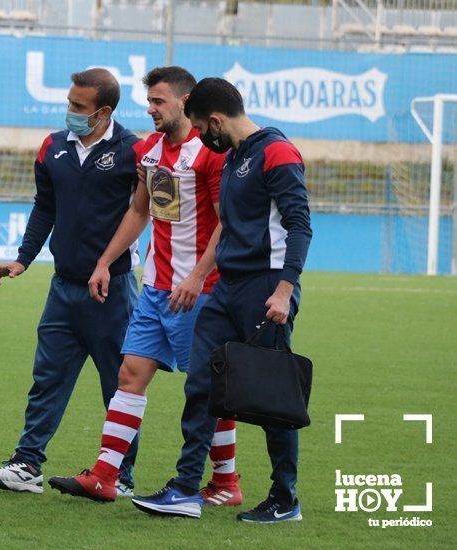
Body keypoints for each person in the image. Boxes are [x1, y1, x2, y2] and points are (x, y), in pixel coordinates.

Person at [47, 67, 242, 506]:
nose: (150, 109)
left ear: (185, 102)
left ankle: (227, 483)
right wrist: (104, 262)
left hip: (200, 292)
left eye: (158, 101)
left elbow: (226, 224)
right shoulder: (150, 150)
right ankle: (104, 476)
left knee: (207, 389)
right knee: (129, 376)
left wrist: (196, 277)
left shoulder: (210, 154)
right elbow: (139, 212)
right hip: (155, 288)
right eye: (148, 101)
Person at [129, 77, 312, 522]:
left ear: (214, 120)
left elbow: (300, 225)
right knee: (202, 386)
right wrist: (202, 275)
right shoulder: (232, 156)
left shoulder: (277, 152)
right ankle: (187, 488)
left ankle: (285, 498)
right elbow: (226, 225)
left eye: (200, 126)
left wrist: (285, 291)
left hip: (267, 288)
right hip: (226, 288)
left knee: (271, 397)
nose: (200, 137)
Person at [0, 68, 142, 497]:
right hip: (62, 288)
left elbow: (144, 213)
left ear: (103, 112)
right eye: (69, 102)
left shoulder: (135, 152)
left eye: (78, 106)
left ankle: (120, 476)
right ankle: (27, 464)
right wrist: (23, 259)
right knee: (47, 378)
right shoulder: (52, 147)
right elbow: (44, 208)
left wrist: (110, 262)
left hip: (113, 290)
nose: (69, 111)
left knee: (119, 386)